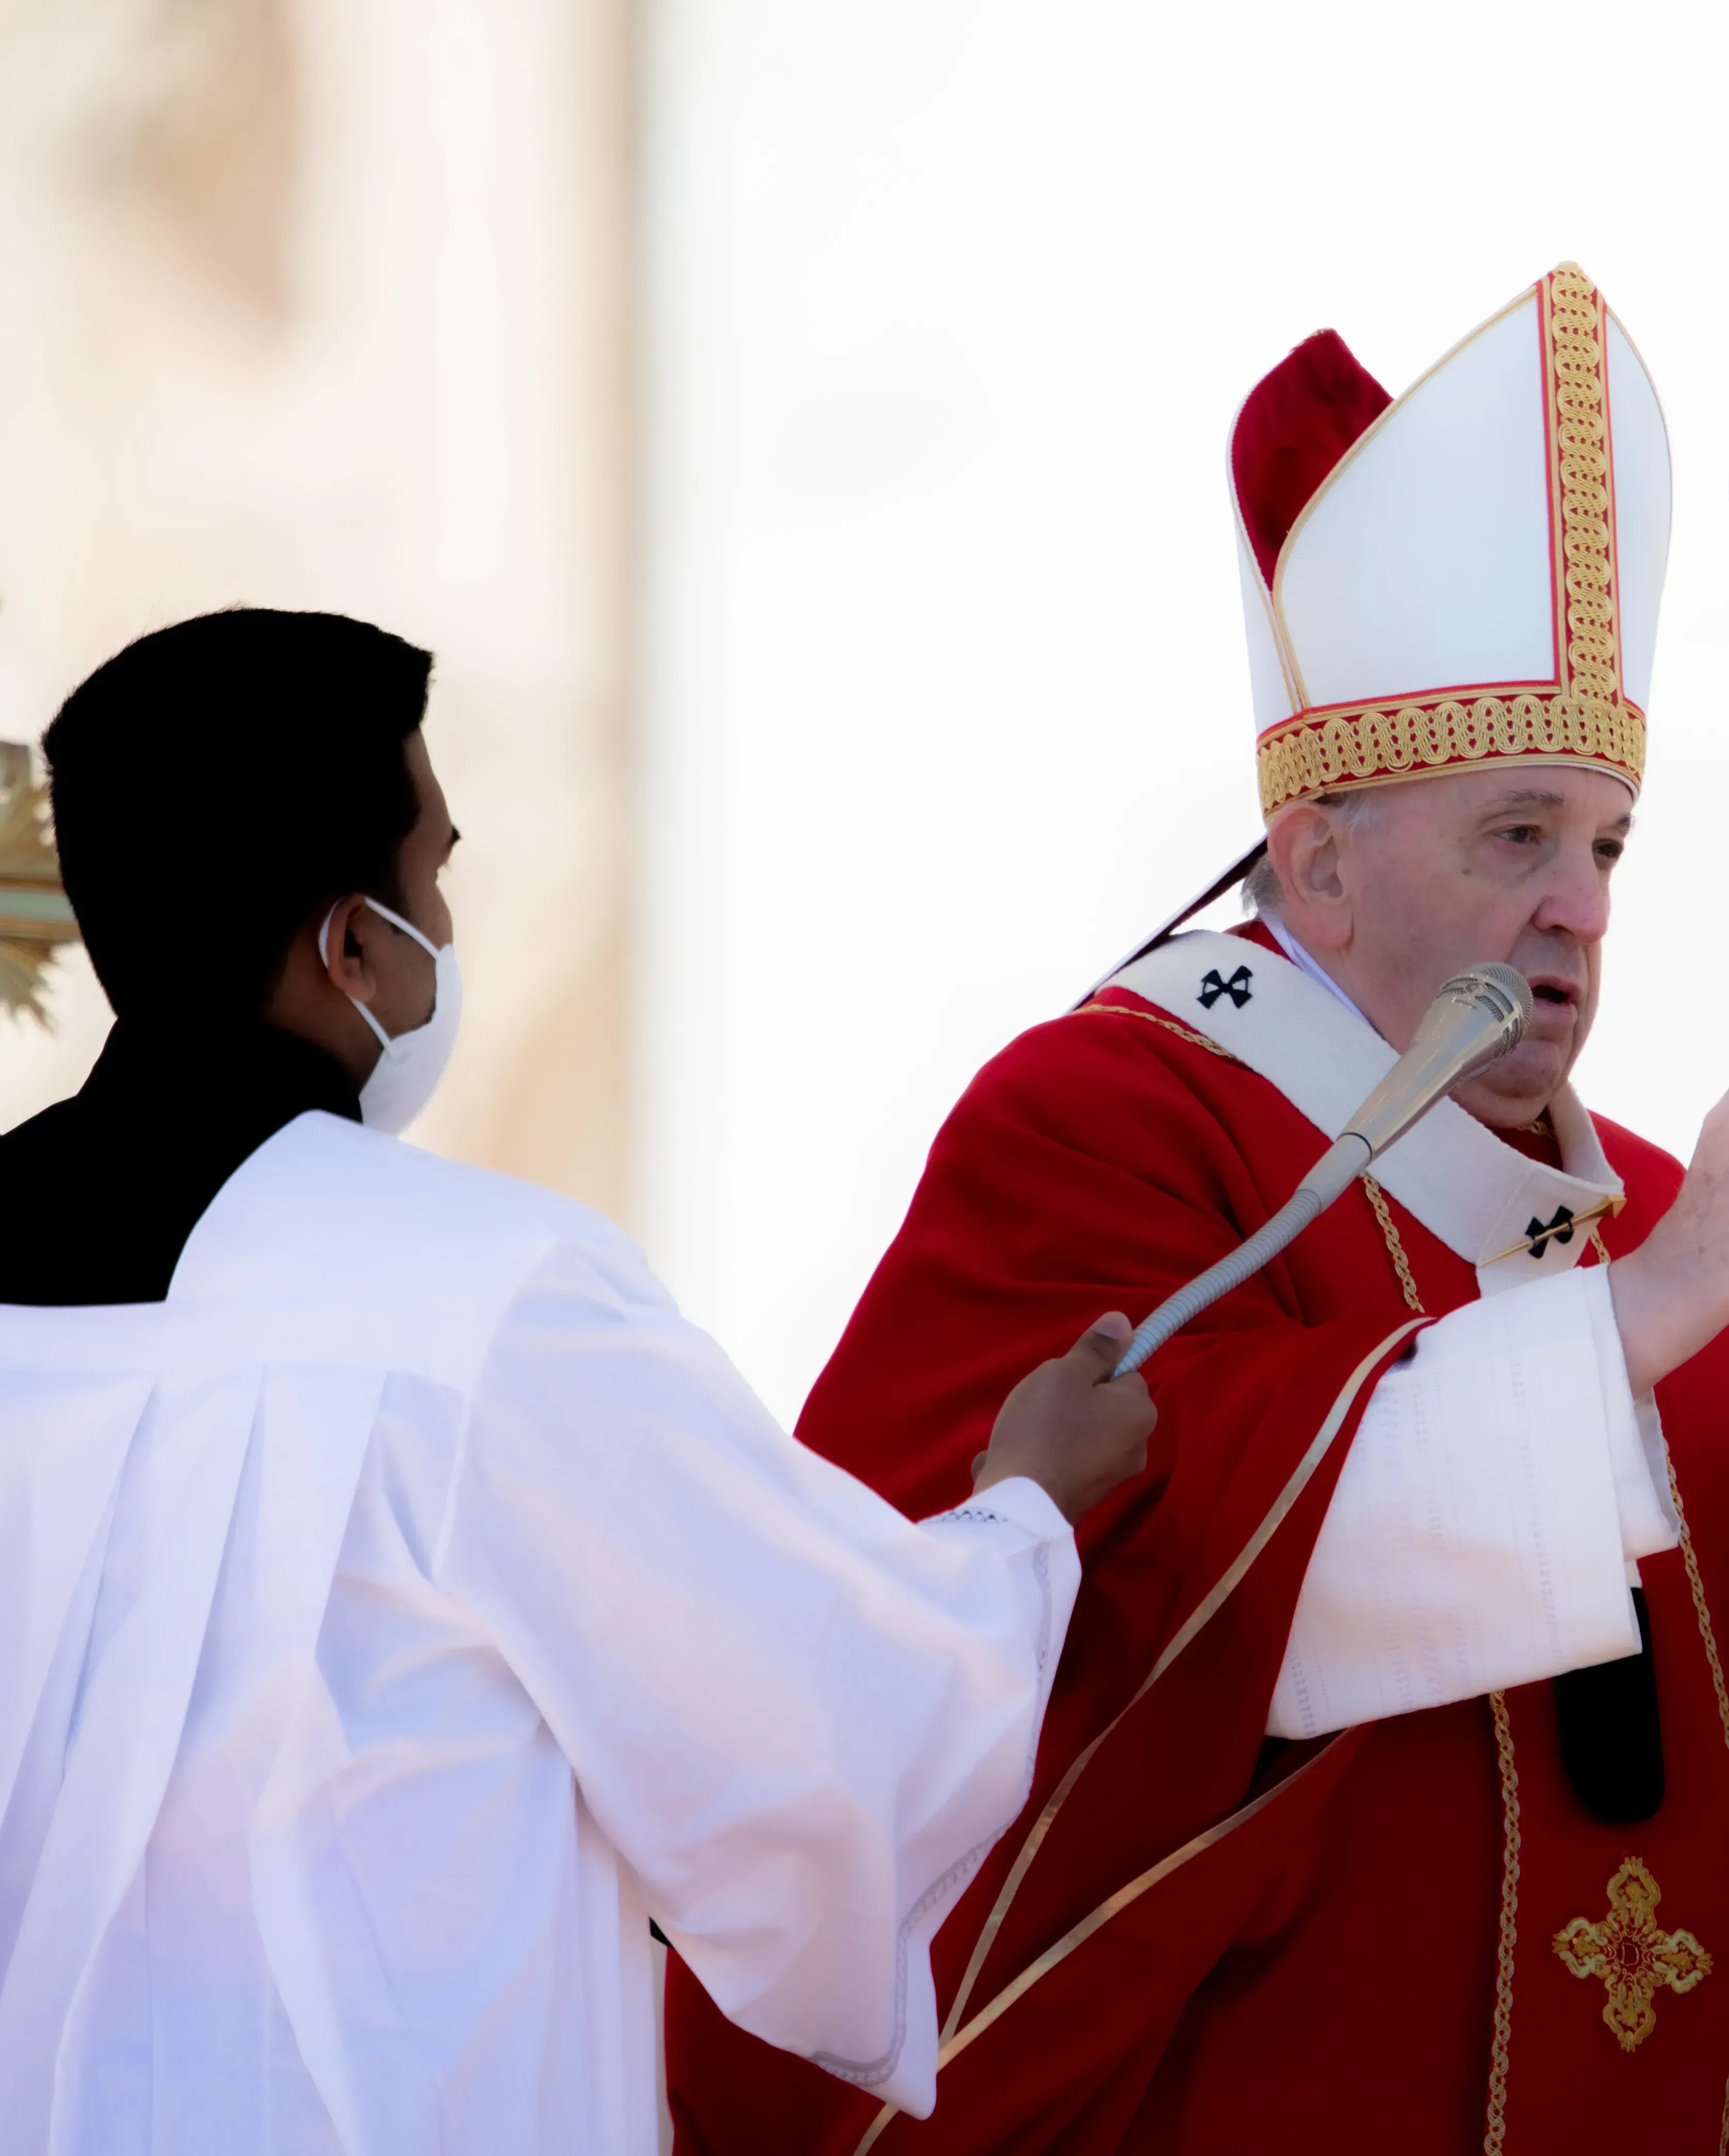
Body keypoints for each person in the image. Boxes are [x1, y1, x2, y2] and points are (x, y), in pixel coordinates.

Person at [666, 264, 1729, 2154]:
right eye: (1516, 839)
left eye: (1603, 846)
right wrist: (1653, 1307)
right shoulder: (1113, 1120)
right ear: (1317, 866)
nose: (1578, 907)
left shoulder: (1654, 1214)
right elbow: (1147, 1621)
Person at [0, 610, 1157, 2155]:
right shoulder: (478, 1298)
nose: (449, 928)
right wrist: (1024, 1522)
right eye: (439, 875)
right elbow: (809, 1746)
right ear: (353, 944)